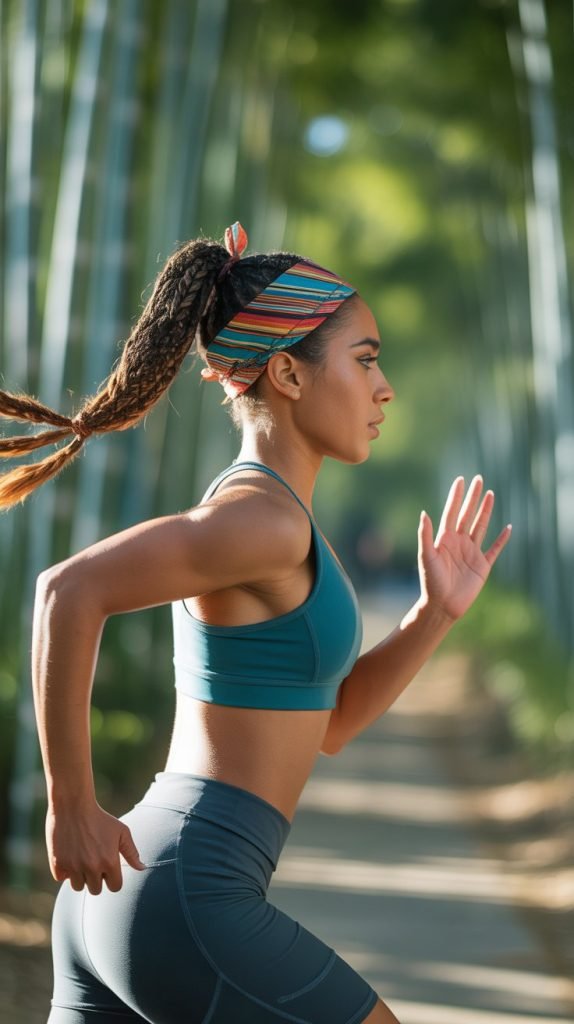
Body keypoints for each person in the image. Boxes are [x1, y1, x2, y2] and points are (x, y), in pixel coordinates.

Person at [0, 222, 512, 1024]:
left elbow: (329, 723)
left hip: (136, 897)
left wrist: (432, 614)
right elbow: (67, 590)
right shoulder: (261, 522)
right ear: (287, 374)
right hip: (189, 892)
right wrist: (70, 802)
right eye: (366, 359)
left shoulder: (271, 514)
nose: (386, 389)